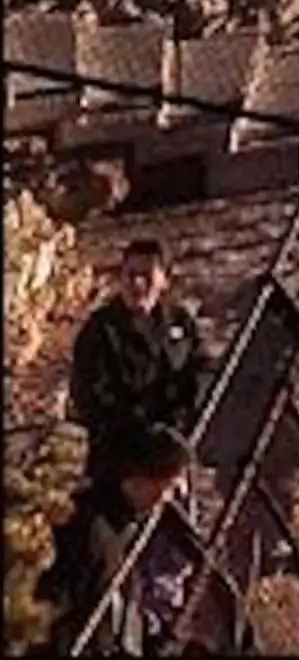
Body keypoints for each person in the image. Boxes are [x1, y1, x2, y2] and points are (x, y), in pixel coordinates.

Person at [38, 422, 196, 657]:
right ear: (143, 479)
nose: (169, 498)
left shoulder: (127, 525)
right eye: (168, 487)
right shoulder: (89, 527)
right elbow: (63, 608)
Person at [68, 239, 208, 491]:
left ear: (164, 280)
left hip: (173, 454)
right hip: (121, 464)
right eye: (130, 275)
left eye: (146, 275)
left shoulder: (179, 323)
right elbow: (91, 399)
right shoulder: (100, 330)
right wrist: (143, 432)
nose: (137, 284)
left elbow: (199, 372)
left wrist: (178, 425)